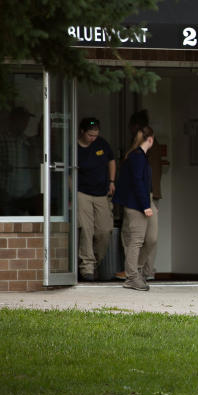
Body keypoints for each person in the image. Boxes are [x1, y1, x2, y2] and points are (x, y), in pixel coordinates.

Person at [113, 126, 158, 291]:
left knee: (152, 238)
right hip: (137, 203)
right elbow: (138, 182)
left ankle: (135, 270)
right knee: (137, 240)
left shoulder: (139, 156)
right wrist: (145, 205)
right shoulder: (137, 157)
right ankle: (132, 276)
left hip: (144, 200)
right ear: (151, 139)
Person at [76, 117, 116, 281]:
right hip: (83, 193)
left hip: (102, 194)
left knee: (104, 231)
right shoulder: (74, 147)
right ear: (82, 132)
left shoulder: (102, 144)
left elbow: (111, 160)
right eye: (90, 135)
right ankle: (87, 268)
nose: (93, 138)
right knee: (86, 230)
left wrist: (112, 181)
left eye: (96, 135)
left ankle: (95, 264)